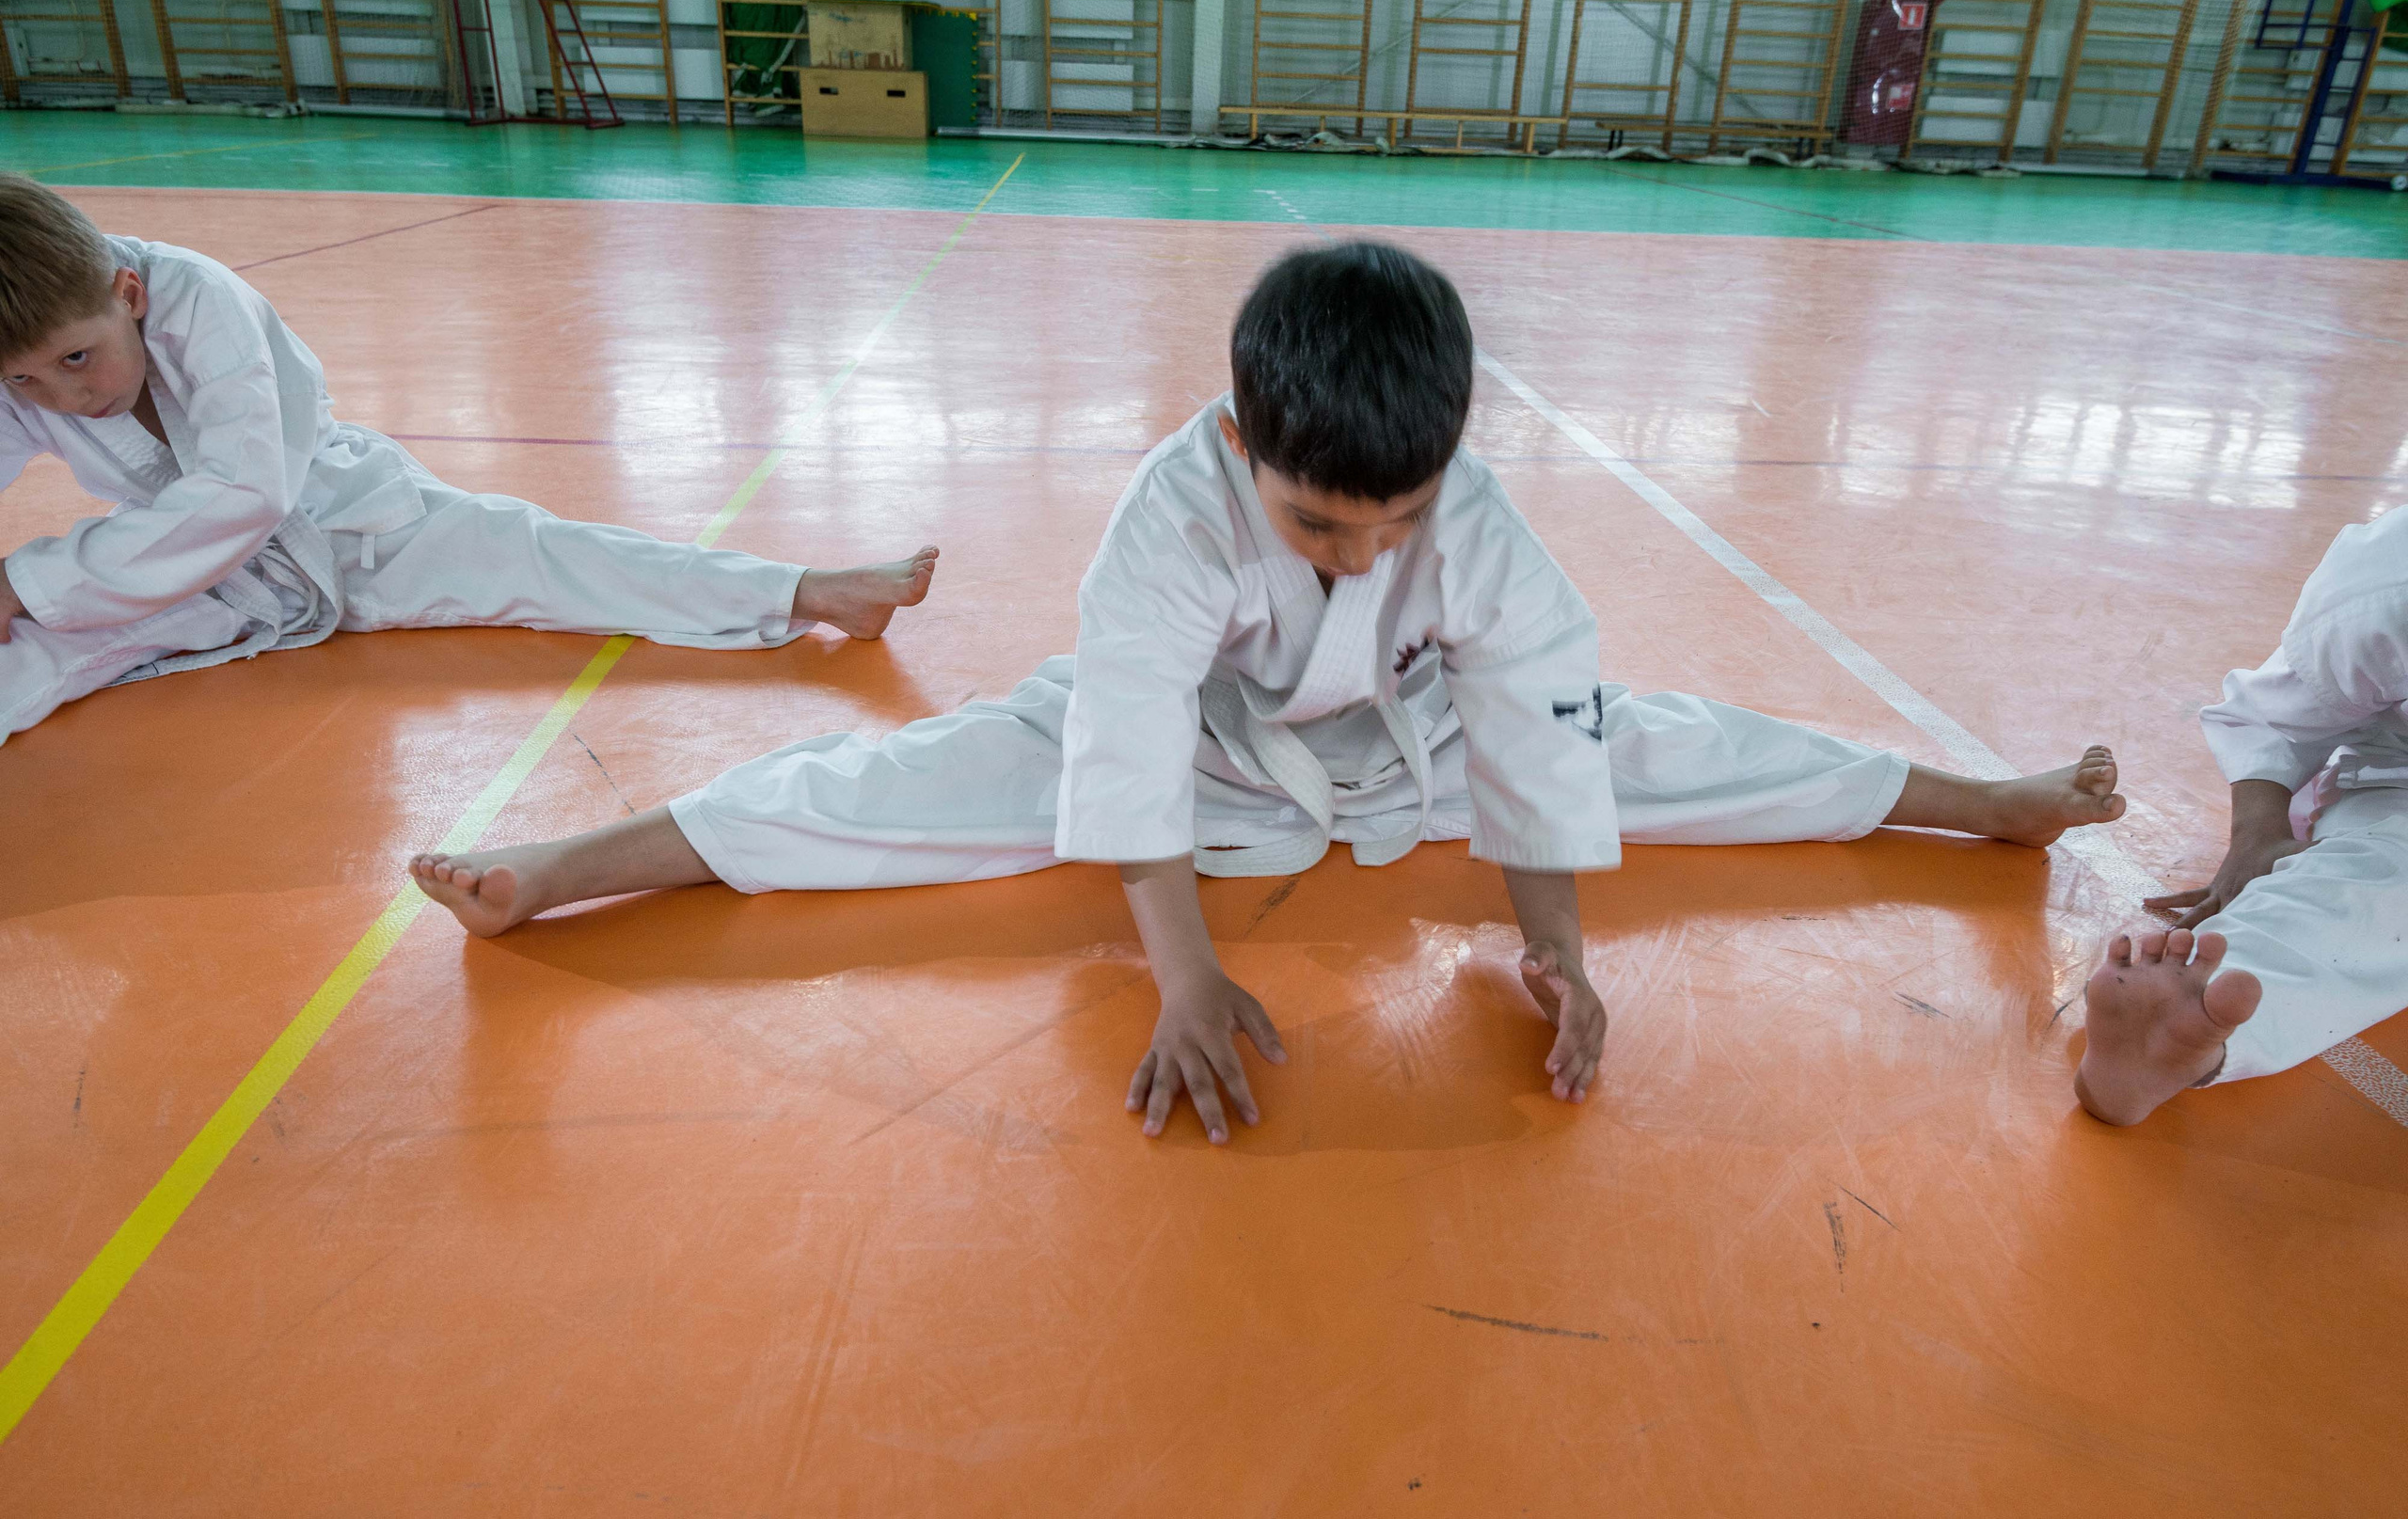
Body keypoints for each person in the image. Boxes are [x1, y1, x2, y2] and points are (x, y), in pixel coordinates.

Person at [413, 242, 2125, 1142]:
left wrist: (1563, 950)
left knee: (1677, 741)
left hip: (1413, 743)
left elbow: (1538, 742)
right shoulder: (1169, 518)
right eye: (1321, 519)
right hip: (1209, 757)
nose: (1370, 549)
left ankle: (1989, 800)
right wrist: (1185, 974)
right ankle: (564, 868)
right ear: (1244, 447)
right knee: (904, 794)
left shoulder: (1474, 522)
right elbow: (1134, 756)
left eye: (1405, 515)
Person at [0, 174, 937, 749]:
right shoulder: (24, 353)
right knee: (37, 644)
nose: (67, 397)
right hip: (203, 576)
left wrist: (29, 577)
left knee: (548, 554)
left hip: (354, 521)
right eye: (28, 383)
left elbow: (250, 488)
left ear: (126, 293)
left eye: (78, 358)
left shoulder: (199, 296)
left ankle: (811, 590)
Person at [2077, 506, 2407, 1125]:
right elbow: (2277, 717)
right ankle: (2176, 1026)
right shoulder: (2390, 592)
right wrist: (2257, 836)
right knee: (2389, 882)